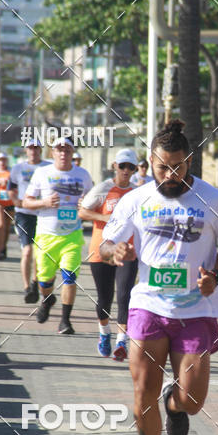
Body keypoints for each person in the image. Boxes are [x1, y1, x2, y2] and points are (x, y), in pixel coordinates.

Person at [100, 119, 218, 435]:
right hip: (147, 305)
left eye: (177, 166)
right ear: (151, 162)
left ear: (189, 161)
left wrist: (216, 274)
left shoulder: (214, 199)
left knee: (192, 401)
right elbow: (105, 245)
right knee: (143, 389)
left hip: (196, 309)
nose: (170, 174)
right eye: (163, 167)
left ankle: (174, 406)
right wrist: (118, 252)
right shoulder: (136, 199)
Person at [23, 138, 93, 335]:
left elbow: (92, 200)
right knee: (45, 280)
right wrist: (44, 202)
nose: (63, 153)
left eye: (67, 150)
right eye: (59, 150)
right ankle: (47, 299)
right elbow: (26, 202)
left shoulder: (83, 175)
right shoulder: (42, 173)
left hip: (72, 235)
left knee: (69, 277)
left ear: (73, 153)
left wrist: (85, 204)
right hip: (46, 235)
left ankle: (65, 321)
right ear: (52, 153)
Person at [79, 148, 139, 361]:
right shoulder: (103, 188)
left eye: (130, 167)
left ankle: (121, 341)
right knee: (105, 298)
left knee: (125, 296)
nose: (125, 170)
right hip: (101, 250)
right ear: (115, 166)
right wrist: (104, 217)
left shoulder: (137, 193)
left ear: (135, 169)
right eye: (122, 166)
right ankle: (104, 333)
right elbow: (83, 212)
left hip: (126, 252)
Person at [8, 140, 48, 303]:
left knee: (39, 252)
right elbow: (11, 188)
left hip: (44, 213)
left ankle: (34, 282)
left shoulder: (48, 167)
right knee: (27, 251)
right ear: (26, 150)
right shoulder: (18, 168)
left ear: (41, 150)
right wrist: (15, 200)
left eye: (36, 148)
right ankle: (27, 288)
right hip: (24, 213)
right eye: (30, 148)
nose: (33, 151)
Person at [0, 152, 13, 260]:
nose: (2, 162)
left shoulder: (11, 171)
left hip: (10, 202)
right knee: (1, 226)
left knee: (7, 227)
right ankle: (1, 249)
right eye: (0, 160)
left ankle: (4, 246)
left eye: (4, 160)